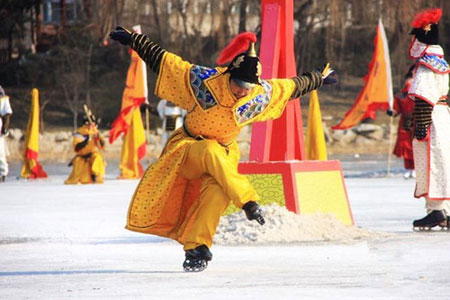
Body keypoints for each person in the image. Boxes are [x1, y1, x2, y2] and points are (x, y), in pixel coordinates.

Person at [109, 28, 337, 271]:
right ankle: (249, 202)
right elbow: (165, 61)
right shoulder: (203, 82)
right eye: (238, 84)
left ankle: (197, 248)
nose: (242, 91)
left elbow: (291, 87)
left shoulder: (257, 96)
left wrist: (318, 78)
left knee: (219, 189)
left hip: (224, 156)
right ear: (229, 75)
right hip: (189, 150)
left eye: (248, 87)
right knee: (209, 149)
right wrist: (136, 40)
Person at [406, 8, 450, 230]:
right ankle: (446, 210)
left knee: (432, 163)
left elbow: (424, 97)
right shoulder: (442, 64)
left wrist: (420, 125)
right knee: (444, 163)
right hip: (443, 116)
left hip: (431, 118)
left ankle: (435, 210)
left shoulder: (425, 67)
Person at [387, 66, 415, 179]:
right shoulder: (400, 96)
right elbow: (396, 111)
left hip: (416, 122)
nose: (409, 81)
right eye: (407, 79)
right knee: (405, 147)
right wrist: (391, 112)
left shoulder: (418, 95)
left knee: (415, 146)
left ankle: (416, 169)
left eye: (411, 79)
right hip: (404, 123)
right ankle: (408, 168)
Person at [64, 112, 106, 184]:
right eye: (89, 124)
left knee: (98, 158)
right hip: (82, 157)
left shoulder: (95, 132)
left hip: (93, 155)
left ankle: (95, 175)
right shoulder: (80, 133)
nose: (90, 126)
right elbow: (77, 147)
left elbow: (102, 145)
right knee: (80, 175)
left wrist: (99, 138)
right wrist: (86, 140)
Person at [0, 85, 12, 183]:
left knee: (0, 152)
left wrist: (5, 128)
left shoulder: (2, 96)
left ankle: (2, 173)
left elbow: (6, 113)